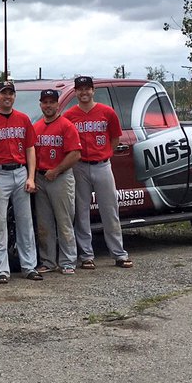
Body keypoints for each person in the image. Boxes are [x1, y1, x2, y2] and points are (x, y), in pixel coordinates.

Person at [63, 75, 133, 269]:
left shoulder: (107, 112)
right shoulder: (69, 116)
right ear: (75, 92)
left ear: (93, 90)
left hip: (102, 165)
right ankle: (86, 256)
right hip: (79, 166)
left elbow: (115, 138)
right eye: (80, 89)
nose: (84, 92)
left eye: (87, 89)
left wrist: (105, 154)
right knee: (82, 212)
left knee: (110, 210)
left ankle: (119, 254)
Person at [0, 80, 38, 283]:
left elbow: (30, 148)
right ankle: (2, 270)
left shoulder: (23, 119)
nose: (7, 96)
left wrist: (31, 177)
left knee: (25, 222)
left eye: (10, 93)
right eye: (4, 93)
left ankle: (29, 266)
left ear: (14, 96)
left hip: (20, 171)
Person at [32, 88, 82, 275]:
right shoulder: (36, 127)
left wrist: (57, 170)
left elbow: (75, 154)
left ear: (57, 104)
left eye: (52, 102)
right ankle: (48, 261)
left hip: (60, 177)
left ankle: (68, 261)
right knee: (44, 223)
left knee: (64, 221)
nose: (48, 105)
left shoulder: (66, 126)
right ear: (40, 105)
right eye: (45, 102)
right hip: (41, 177)